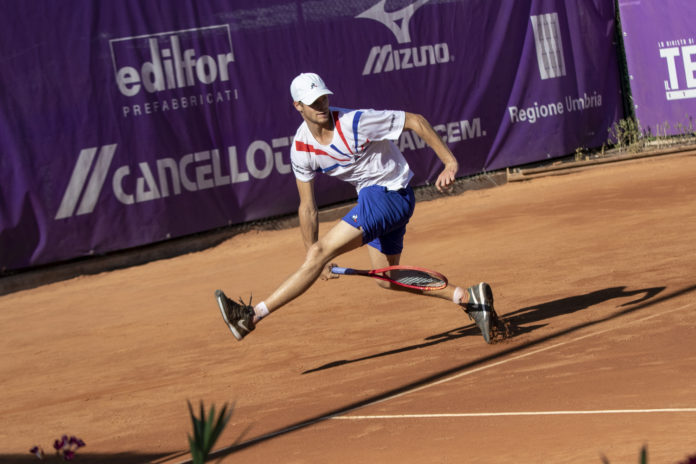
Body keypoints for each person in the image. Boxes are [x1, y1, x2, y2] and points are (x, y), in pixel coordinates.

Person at [215, 72, 500, 343]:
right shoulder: (301, 148)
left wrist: (449, 162)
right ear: (298, 106)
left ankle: (251, 318)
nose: (321, 105)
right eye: (313, 103)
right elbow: (307, 208)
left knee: (319, 252)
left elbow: (416, 121)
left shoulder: (355, 122)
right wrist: (313, 258)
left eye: (324, 98)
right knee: (387, 279)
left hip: (389, 194)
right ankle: (467, 298)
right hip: (372, 199)